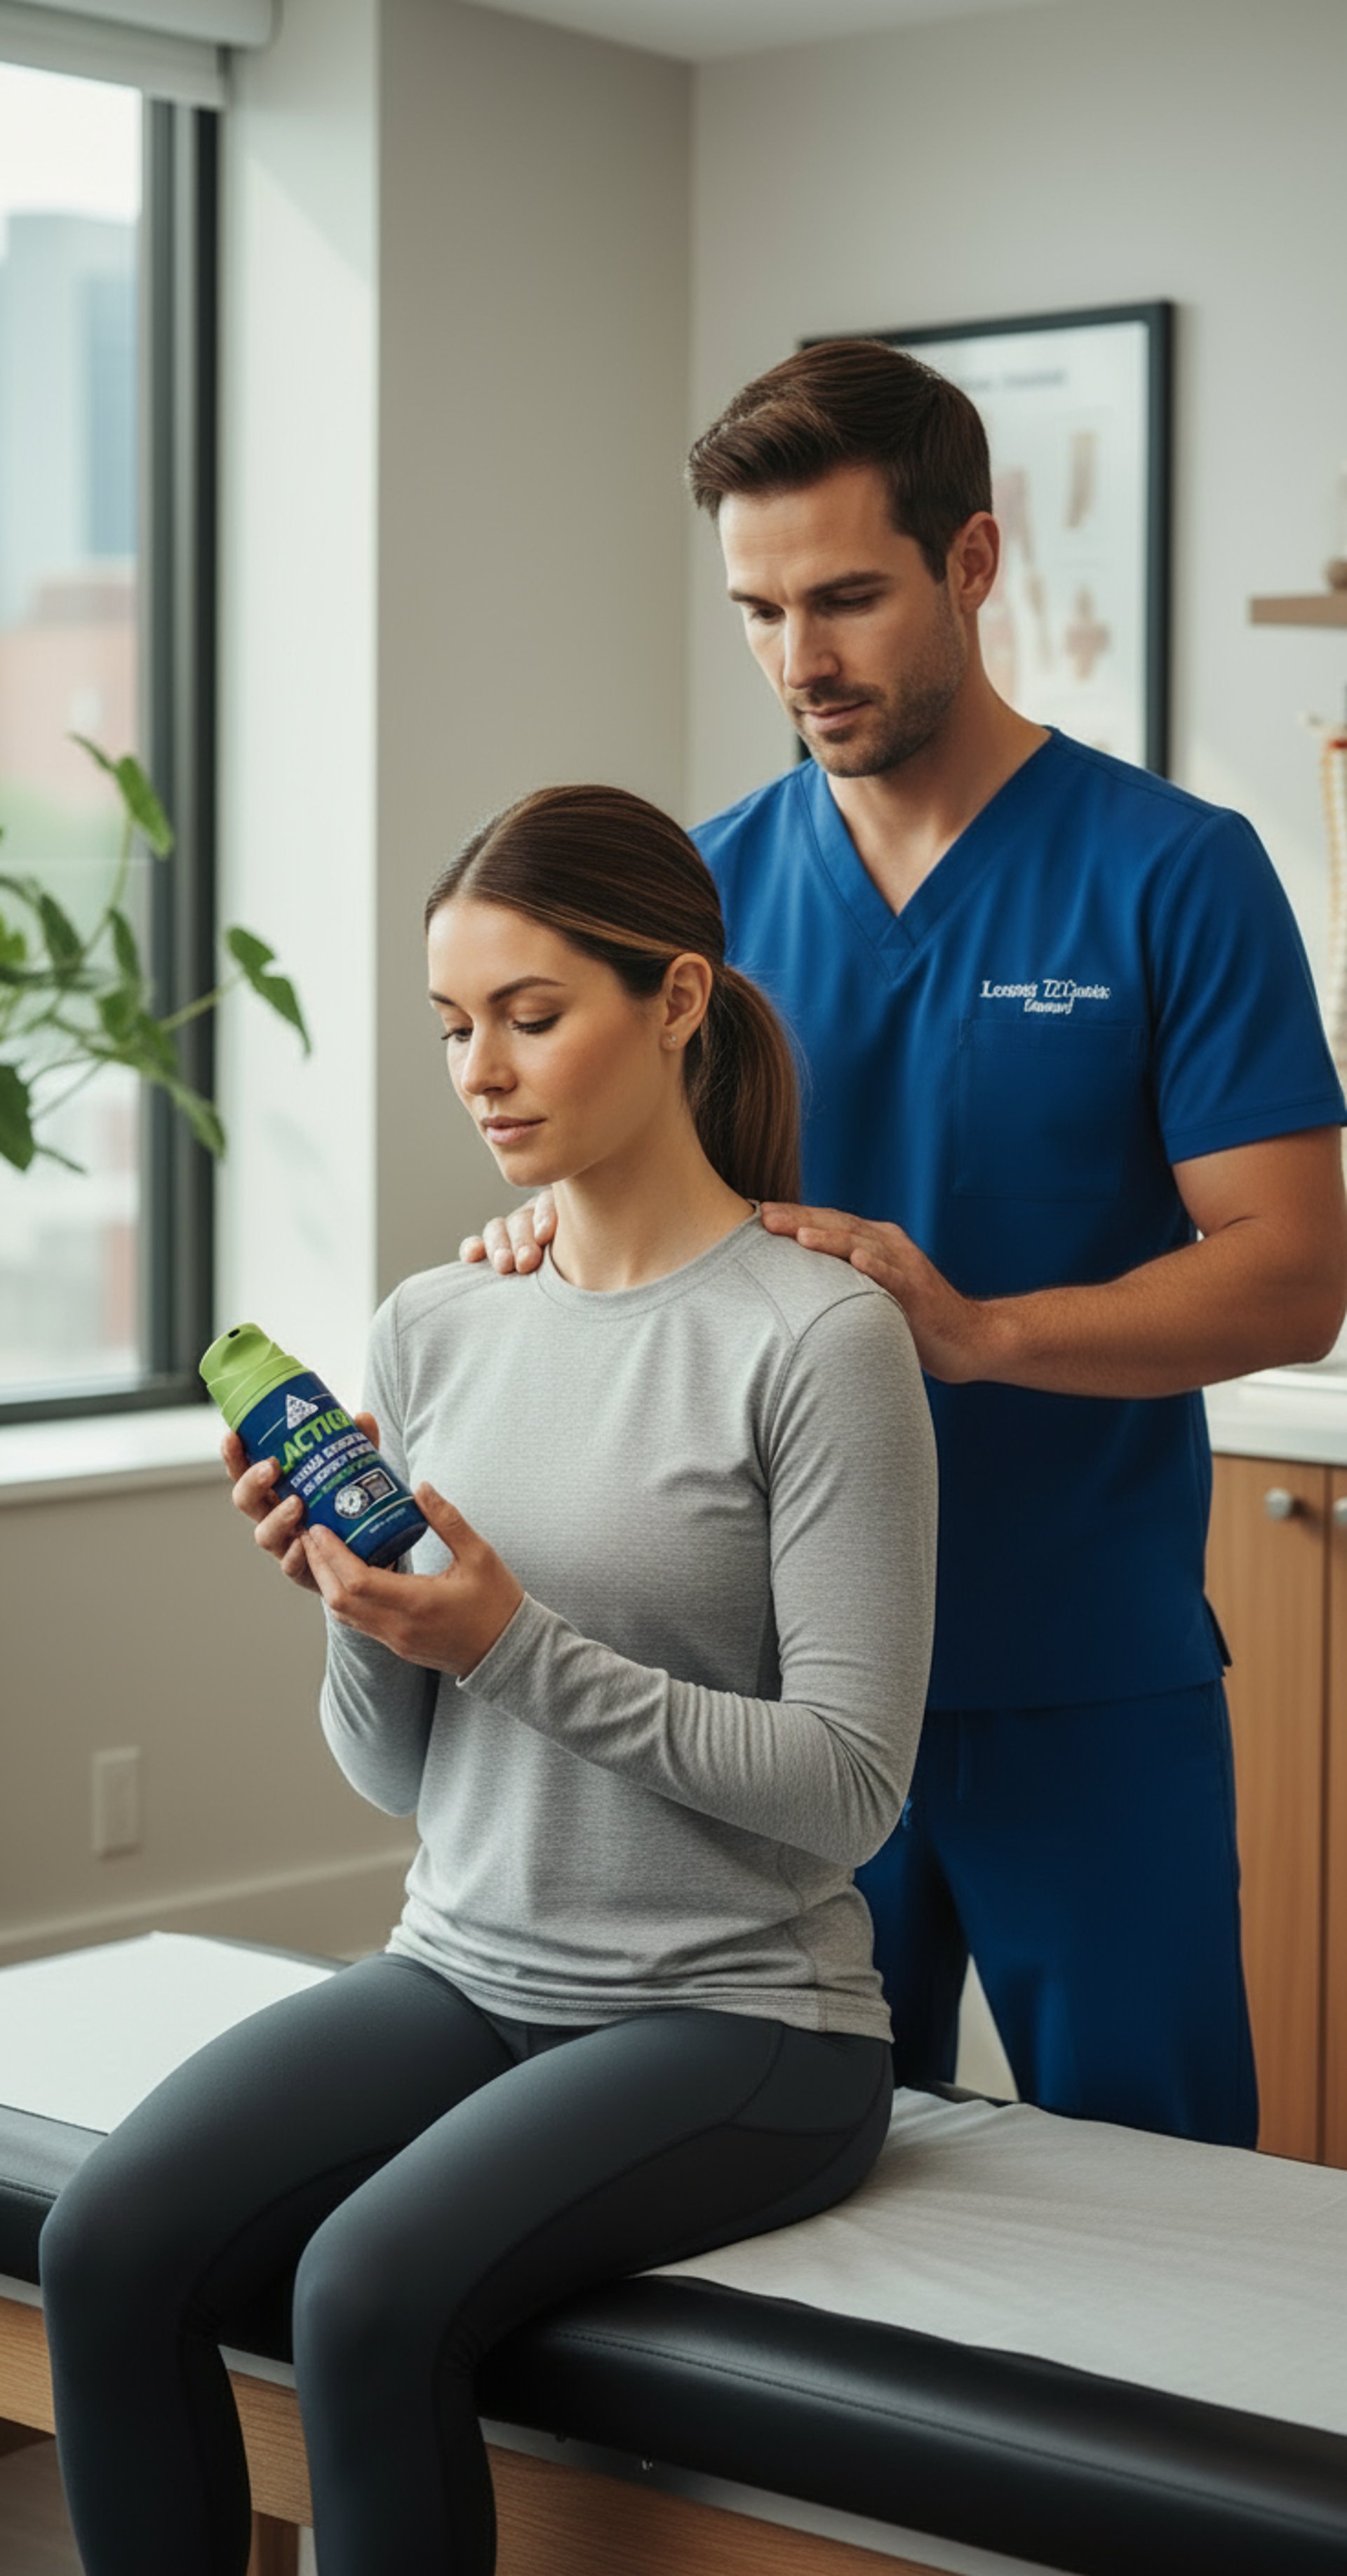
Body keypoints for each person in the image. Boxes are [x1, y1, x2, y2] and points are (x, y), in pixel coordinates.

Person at [39, 783, 937, 2576]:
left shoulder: (821, 1342)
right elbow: (398, 1776)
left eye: (534, 1015)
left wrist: (510, 1644)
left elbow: (852, 1784)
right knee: (107, 2239)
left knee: (365, 2289)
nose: (483, 1069)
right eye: (456, 1026)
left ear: (676, 1000)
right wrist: (352, 1599)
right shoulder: (434, 1322)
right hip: (460, 1968)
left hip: (741, 2019)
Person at [467, 340, 1347, 2150]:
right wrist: (540, 1243)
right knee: (790, 2182)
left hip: (1077, 1670)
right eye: (760, 608)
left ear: (972, 561)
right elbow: (636, 1237)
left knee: (1169, 2191)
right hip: (765, 1692)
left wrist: (979, 1331)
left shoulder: (1175, 869)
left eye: (849, 596)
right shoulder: (692, 900)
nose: (803, 658)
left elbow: (1290, 1270)